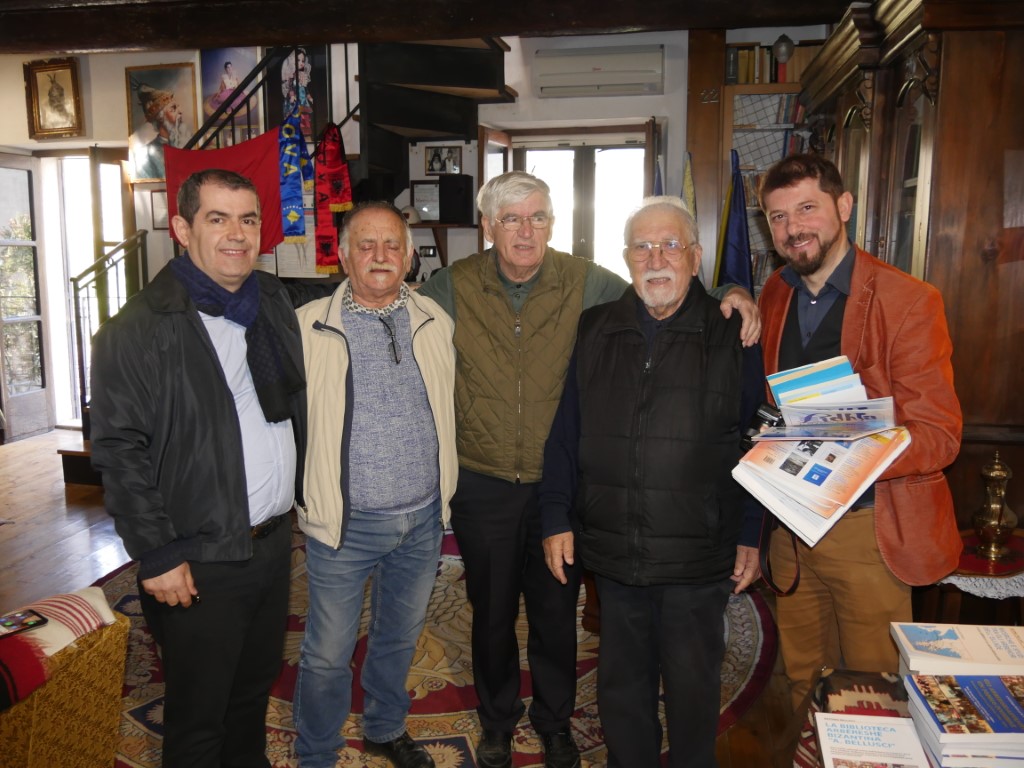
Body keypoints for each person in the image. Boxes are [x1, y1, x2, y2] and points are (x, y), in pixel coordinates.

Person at [416, 171, 761, 768]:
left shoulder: (587, 283)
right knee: (491, 614)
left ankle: (554, 724)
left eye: (538, 217)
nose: (526, 231)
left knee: (558, 617)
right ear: (489, 227)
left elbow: (666, 289)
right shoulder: (454, 284)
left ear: (553, 224)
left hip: (578, 493)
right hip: (487, 481)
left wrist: (733, 290)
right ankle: (498, 720)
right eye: (512, 219)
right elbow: (405, 313)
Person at [90, 169, 307, 767]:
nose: (237, 234)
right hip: (197, 555)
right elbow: (119, 450)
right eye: (218, 219)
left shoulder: (270, 302)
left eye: (248, 219)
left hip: (270, 543)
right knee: (199, 718)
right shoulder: (138, 329)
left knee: (251, 694)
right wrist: (158, 554)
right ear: (183, 229)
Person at [539, 196, 762, 768]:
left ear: (695, 256)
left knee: (693, 689)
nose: (656, 259)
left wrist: (751, 533)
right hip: (615, 552)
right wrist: (556, 515)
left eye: (670, 245)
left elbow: (758, 443)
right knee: (622, 690)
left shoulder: (733, 334)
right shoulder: (596, 328)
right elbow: (566, 430)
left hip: (697, 554)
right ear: (626, 257)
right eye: (642, 247)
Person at [756, 153, 962, 711]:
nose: (793, 228)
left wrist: (846, 439)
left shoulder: (908, 300)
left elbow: (939, 435)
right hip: (791, 529)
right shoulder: (775, 292)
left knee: (874, 695)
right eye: (778, 216)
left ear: (844, 205)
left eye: (807, 208)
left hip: (868, 530)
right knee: (802, 684)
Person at [292, 201, 457, 768]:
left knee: (398, 637)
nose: (380, 256)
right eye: (366, 245)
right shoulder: (307, 328)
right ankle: (317, 753)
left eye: (392, 245)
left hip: (422, 520)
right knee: (327, 653)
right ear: (343, 256)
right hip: (345, 525)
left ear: (409, 257)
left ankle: (385, 728)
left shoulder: (436, 321)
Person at [130, 83, 187, 180]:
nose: (180, 112)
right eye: (173, 108)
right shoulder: (146, 155)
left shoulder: (183, 141)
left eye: (177, 107)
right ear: (160, 118)